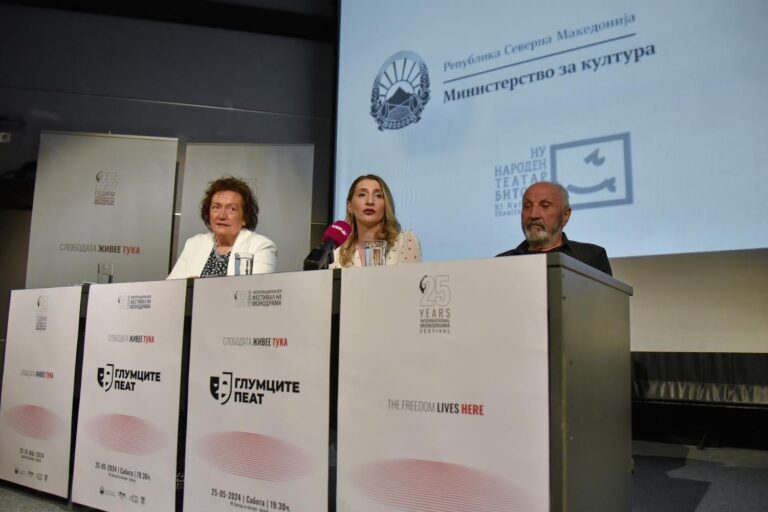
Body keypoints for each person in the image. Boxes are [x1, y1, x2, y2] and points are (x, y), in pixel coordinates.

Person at [167, 176, 276, 278]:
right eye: (216, 207)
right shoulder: (193, 244)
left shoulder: (261, 246)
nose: (222, 216)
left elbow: (255, 289)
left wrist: (198, 285)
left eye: (232, 209)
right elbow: (172, 287)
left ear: (245, 218)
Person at [497, 181, 612, 275]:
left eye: (545, 206)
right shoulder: (501, 262)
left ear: (565, 215)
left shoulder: (591, 257)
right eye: (527, 206)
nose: (533, 214)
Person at [330, 174, 421, 268]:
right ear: (350, 206)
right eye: (362, 195)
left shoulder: (405, 241)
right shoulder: (337, 253)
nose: (370, 201)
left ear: (386, 205)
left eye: (378, 195)